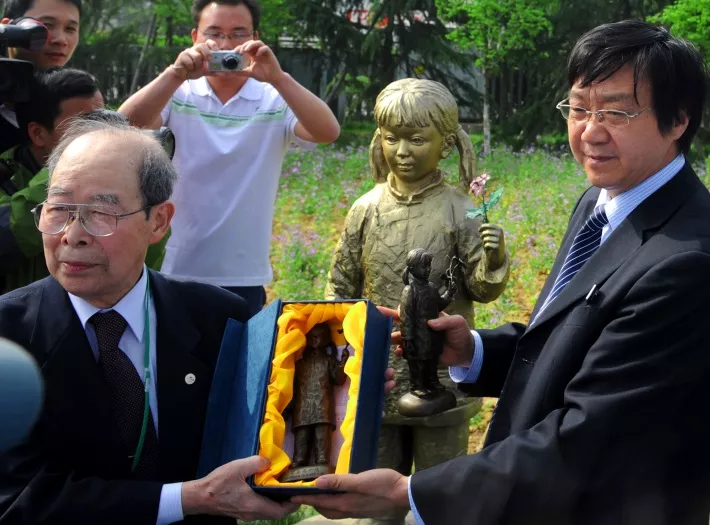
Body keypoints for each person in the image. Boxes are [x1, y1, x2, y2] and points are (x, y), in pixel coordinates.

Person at [294, 20, 710, 525]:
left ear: (677, 121)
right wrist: (475, 350)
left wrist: (413, 494)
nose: (590, 132)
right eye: (578, 108)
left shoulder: (686, 260)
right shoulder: (603, 201)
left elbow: (591, 434)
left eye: (616, 112)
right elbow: (573, 342)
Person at [0, 116, 301, 524]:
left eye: (101, 212)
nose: (73, 234)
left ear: (158, 221)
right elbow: (17, 499)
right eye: (59, 209)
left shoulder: (221, 318)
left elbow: (267, 424)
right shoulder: (8, 335)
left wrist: (340, 376)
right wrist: (190, 499)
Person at [324, 77, 509, 524]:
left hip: (443, 380)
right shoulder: (366, 209)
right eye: (392, 139)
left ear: (445, 145)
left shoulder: (462, 210)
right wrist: (335, 347)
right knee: (375, 497)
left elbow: (480, 290)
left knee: (440, 494)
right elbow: (341, 284)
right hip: (378, 377)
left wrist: (494, 256)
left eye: (416, 139)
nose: (402, 151)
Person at [119, 0, 340, 316]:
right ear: (195, 37)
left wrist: (278, 77)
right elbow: (123, 125)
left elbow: (327, 132)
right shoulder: (179, 93)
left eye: (239, 34)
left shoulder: (274, 98)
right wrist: (176, 73)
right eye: (214, 34)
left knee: (237, 365)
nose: (226, 46)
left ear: (255, 38)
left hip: (244, 273)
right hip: (173, 269)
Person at [0, 67, 104, 293]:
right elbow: (6, 238)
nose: (98, 135)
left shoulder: (106, 178)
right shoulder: (5, 175)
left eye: (102, 120)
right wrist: (67, 170)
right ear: (38, 134)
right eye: (82, 126)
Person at [1, 0, 82, 151]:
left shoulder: (79, 103)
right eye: (47, 25)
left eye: (70, 28)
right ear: (7, 26)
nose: (61, 40)